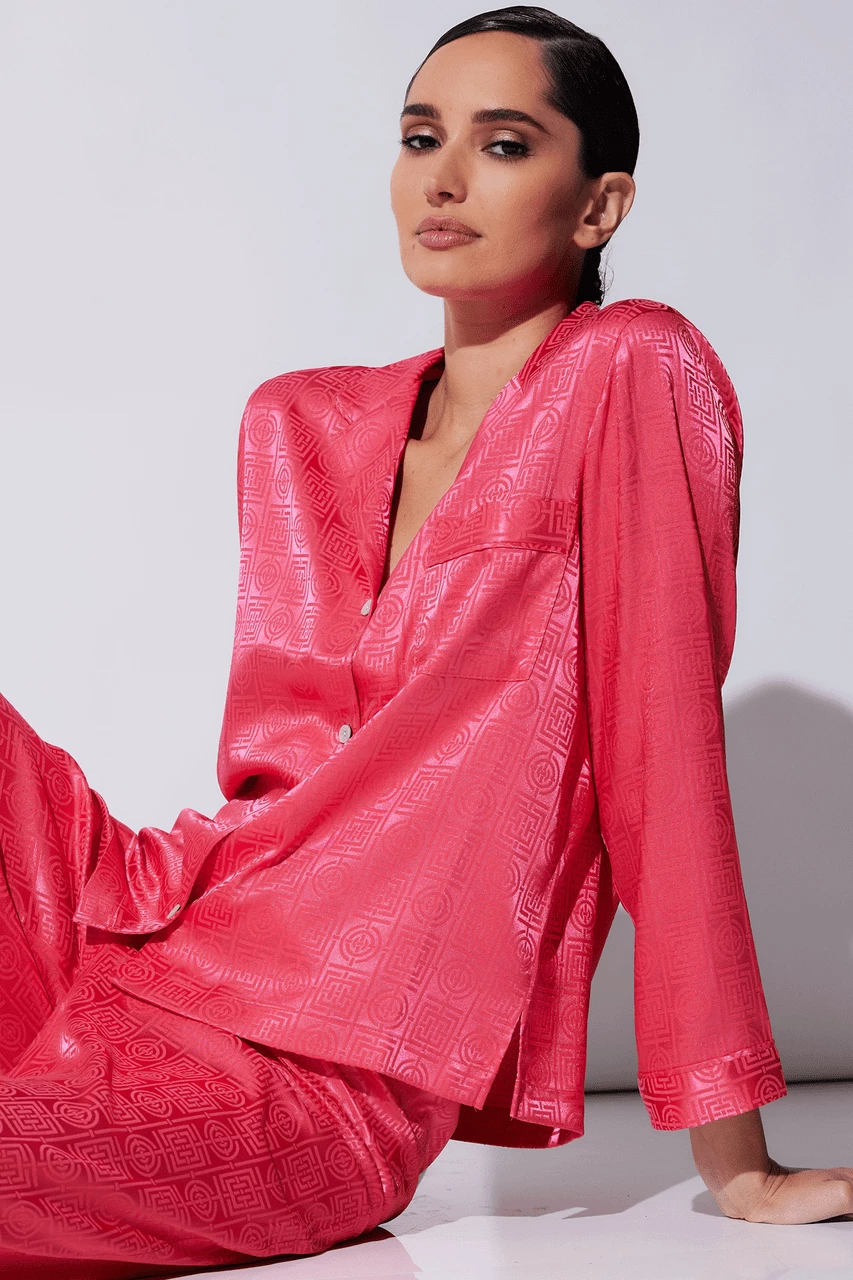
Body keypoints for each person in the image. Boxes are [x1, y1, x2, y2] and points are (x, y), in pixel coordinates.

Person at [0, 5, 850, 1275]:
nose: (442, 178)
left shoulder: (630, 370)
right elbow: (283, 782)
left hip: (319, 1072)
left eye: (503, 144)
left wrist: (740, 1161)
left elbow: (660, 757)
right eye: (418, 137)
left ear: (600, 206)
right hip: (151, 921)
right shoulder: (298, 423)